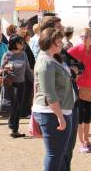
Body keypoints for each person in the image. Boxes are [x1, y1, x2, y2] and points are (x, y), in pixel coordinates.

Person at [32, 28, 74, 171]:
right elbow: (49, 94)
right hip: (51, 113)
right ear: (50, 42)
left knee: (58, 155)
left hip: (58, 111)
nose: (62, 43)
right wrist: (60, 117)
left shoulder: (52, 58)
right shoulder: (46, 62)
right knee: (54, 155)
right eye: (59, 41)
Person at [68, 27, 91, 153]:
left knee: (88, 116)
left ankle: (87, 141)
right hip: (79, 86)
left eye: (86, 36)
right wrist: (73, 72)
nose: (83, 39)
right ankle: (81, 143)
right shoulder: (75, 50)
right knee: (80, 116)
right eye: (82, 36)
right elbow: (64, 60)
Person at [1, 34, 32, 138]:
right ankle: (12, 127)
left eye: (23, 42)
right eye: (20, 42)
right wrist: (6, 68)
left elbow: (27, 70)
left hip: (22, 83)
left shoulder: (23, 54)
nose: (22, 44)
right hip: (10, 84)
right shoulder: (7, 55)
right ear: (14, 43)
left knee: (18, 107)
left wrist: (34, 81)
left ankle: (15, 129)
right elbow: (2, 69)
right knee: (14, 105)